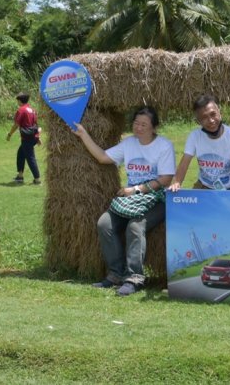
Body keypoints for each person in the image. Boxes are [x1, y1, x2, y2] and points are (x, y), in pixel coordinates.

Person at [73, 106, 175, 296]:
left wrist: (136, 189)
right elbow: (103, 157)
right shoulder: (129, 144)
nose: (139, 128)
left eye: (144, 124)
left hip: (157, 199)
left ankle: (134, 278)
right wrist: (83, 134)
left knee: (135, 227)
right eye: (136, 123)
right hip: (131, 199)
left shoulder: (164, 146)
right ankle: (115, 274)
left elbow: (166, 179)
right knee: (104, 224)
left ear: (154, 127)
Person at [169, 95, 230, 191]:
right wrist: (177, 182)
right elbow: (185, 162)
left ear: (220, 112)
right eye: (204, 117)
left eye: (213, 114)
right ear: (198, 121)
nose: (211, 120)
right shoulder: (195, 136)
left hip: (229, 190)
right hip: (203, 187)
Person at [6, 92, 41, 184]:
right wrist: (37, 137)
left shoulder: (21, 110)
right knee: (21, 154)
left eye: (17, 100)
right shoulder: (32, 110)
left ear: (19, 100)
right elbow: (36, 124)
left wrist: (9, 134)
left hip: (27, 138)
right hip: (33, 136)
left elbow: (16, 125)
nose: (17, 102)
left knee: (30, 157)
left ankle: (37, 179)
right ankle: (20, 176)